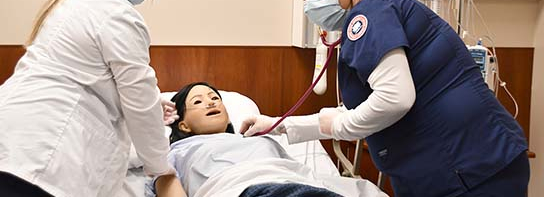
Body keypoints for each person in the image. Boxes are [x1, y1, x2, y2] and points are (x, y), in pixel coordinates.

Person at [240, 0, 530, 197]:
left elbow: (394, 98)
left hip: (471, 167)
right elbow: (359, 108)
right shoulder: (373, 15)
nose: (313, 1)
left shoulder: (369, 16)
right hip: (465, 165)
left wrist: (338, 128)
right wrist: (279, 125)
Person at [0, 0, 179, 197]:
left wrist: (154, 104)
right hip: (42, 155)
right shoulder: (116, 13)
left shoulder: (79, 0)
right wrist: (160, 167)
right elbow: (138, 96)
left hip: (18, 141)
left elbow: (88, 76)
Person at [149, 82, 388, 197]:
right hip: (242, 190)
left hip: (297, 185)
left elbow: (300, 173)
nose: (211, 102)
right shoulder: (178, 151)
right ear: (183, 124)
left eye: (214, 97)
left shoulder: (259, 138)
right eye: (198, 102)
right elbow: (168, 186)